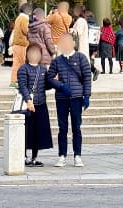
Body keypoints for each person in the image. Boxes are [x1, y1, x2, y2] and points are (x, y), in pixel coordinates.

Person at [47, 33, 92, 168]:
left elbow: (87, 77)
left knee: (76, 127)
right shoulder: (57, 60)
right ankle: (62, 155)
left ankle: (77, 155)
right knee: (62, 128)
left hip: (76, 97)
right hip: (61, 98)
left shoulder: (81, 58)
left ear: (73, 43)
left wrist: (87, 96)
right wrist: (60, 86)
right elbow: (49, 77)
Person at [18, 44, 53, 166]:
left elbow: (46, 86)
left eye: (37, 52)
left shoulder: (43, 69)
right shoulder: (23, 69)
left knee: (38, 132)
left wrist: (53, 80)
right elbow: (22, 86)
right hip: (27, 106)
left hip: (41, 104)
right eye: (32, 52)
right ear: (27, 54)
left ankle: (34, 157)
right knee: (26, 131)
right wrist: (28, 100)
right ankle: (23, 156)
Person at [11, 3, 32, 84]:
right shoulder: (24, 19)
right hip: (22, 44)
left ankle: (14, 81)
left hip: (16, 44)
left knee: (16, 63)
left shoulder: (18, 18)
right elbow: (26, 31)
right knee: (23, 63)